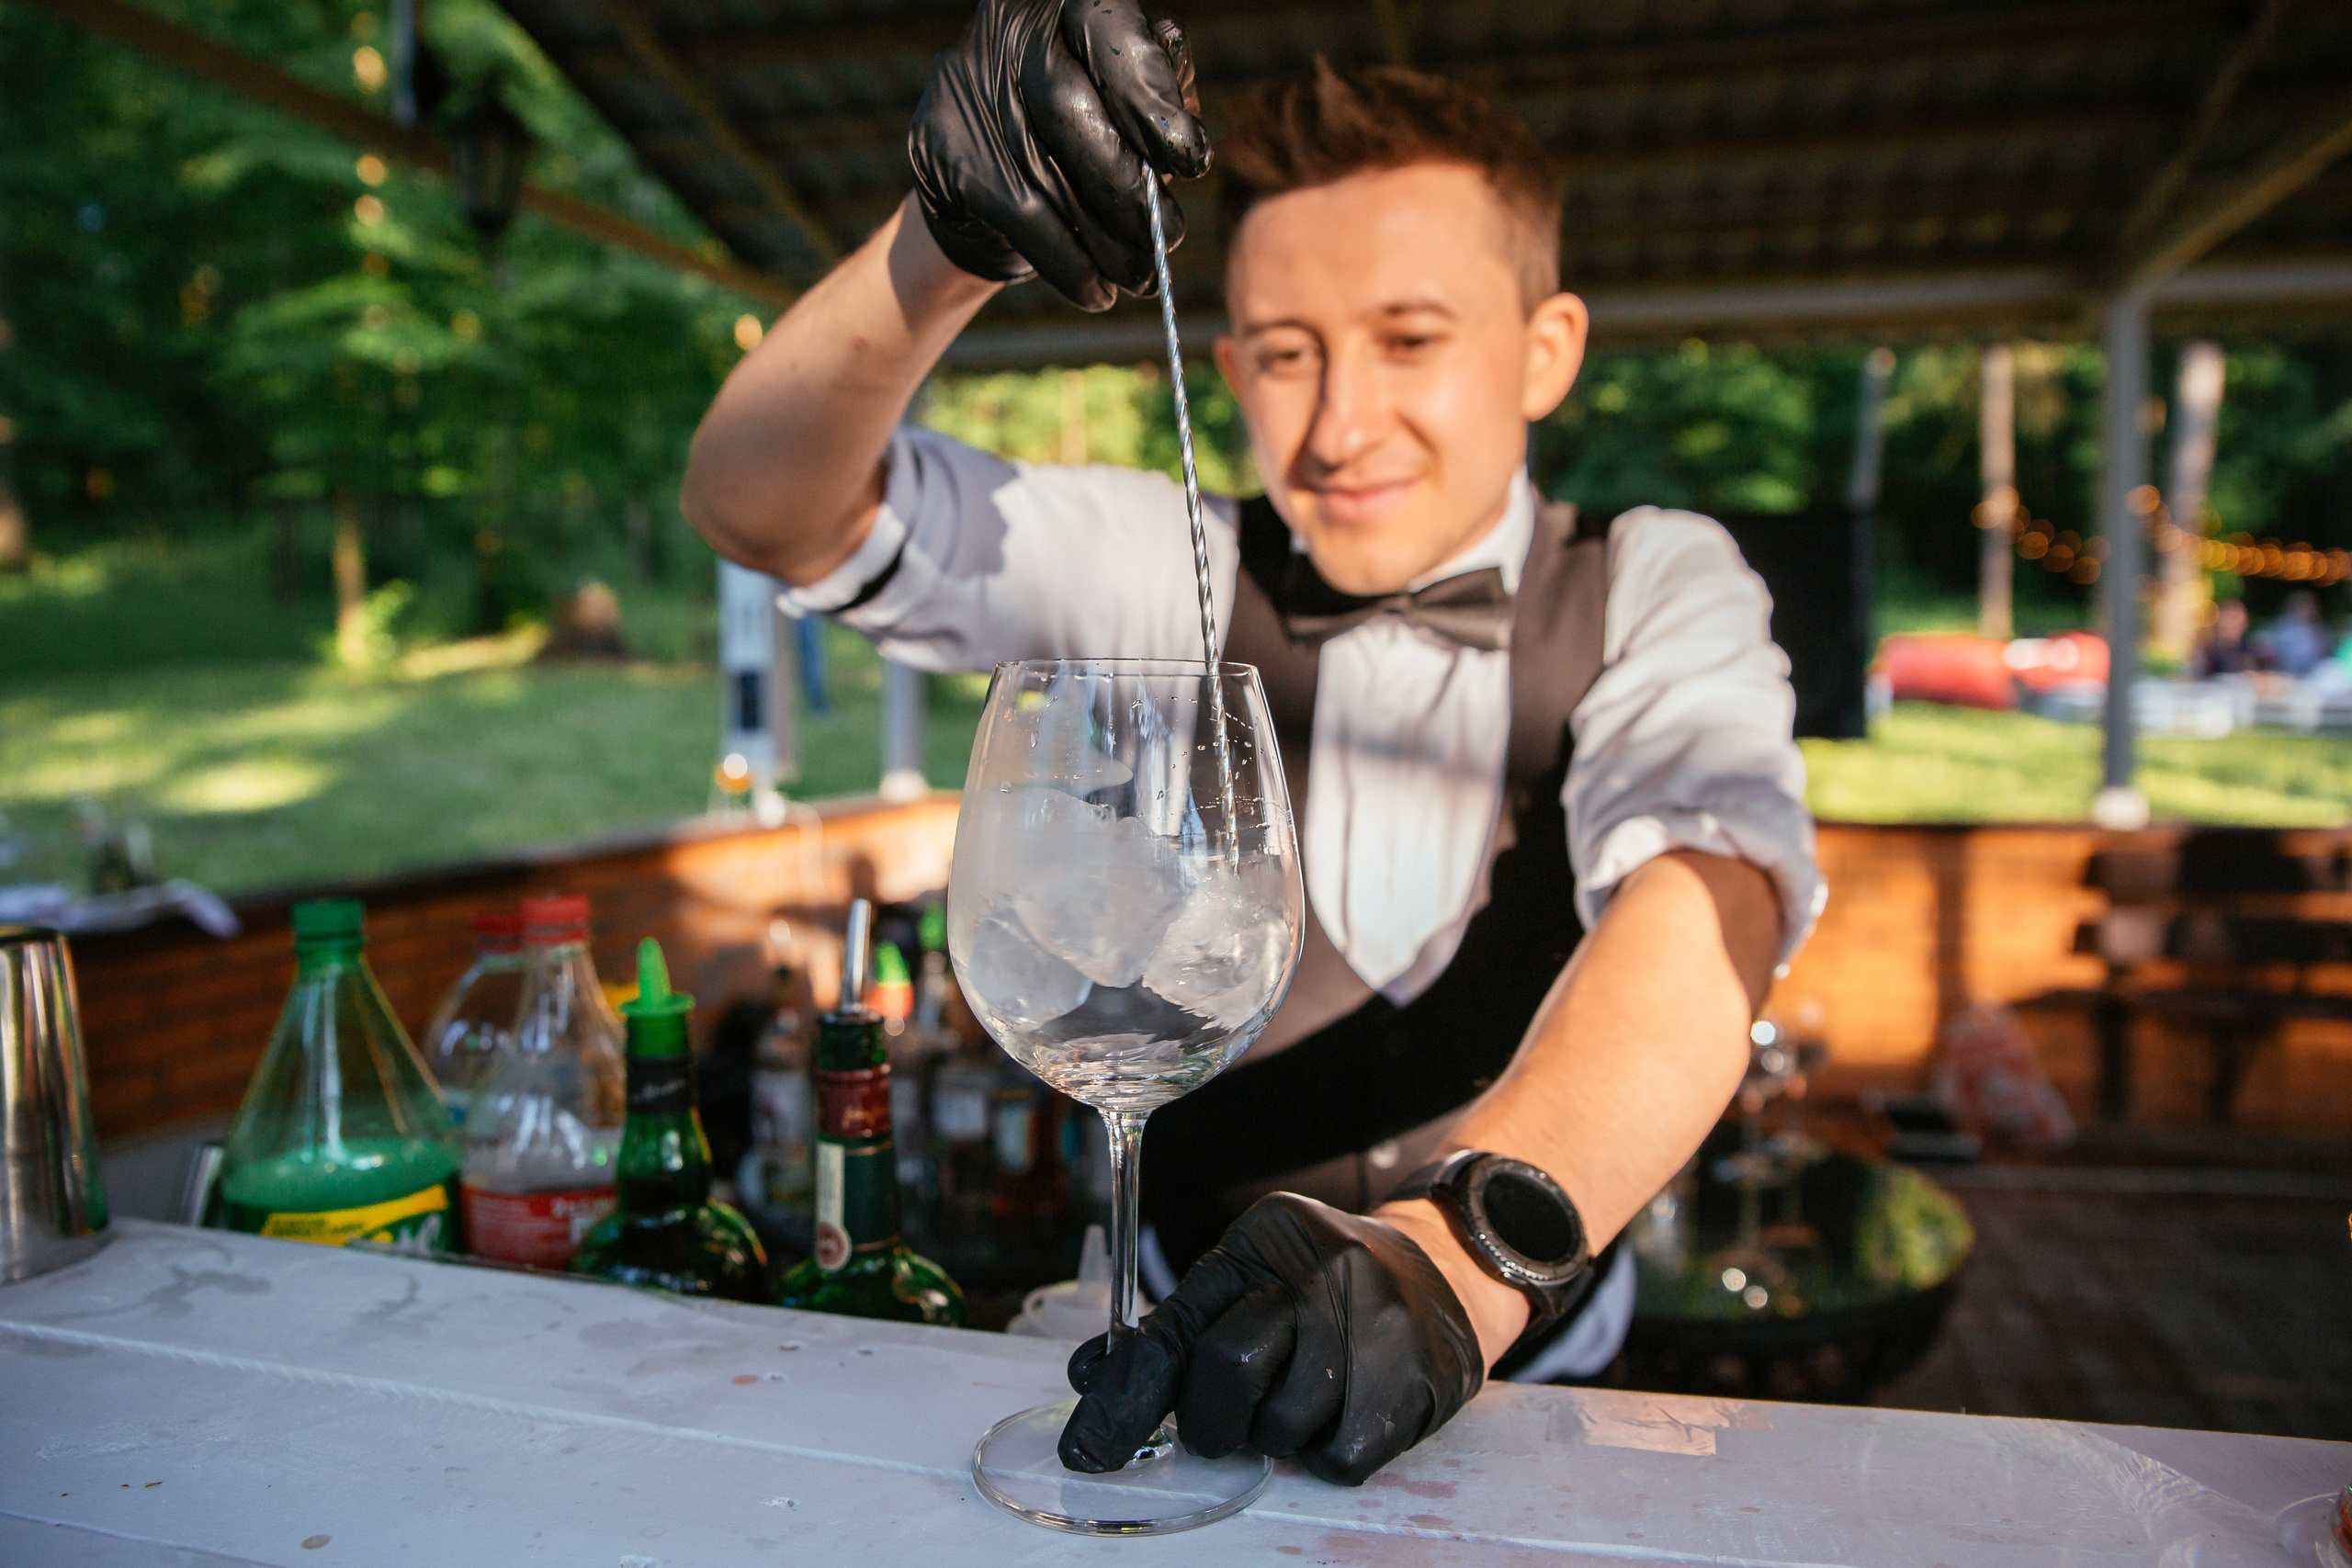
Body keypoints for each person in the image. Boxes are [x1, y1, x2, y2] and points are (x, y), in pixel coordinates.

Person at [682, 4, 1819, 1487]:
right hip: (1176, 1368)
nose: (1340, 425)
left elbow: (1705, 896)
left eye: (1411, 341)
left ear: (1547, 352)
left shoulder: (1657, 575)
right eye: (1287, 354)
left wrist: (1449, 1263)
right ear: (1226, 366)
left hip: (1544, 1393)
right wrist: (944, 236)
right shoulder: (1170, 560)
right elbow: (761, 507)